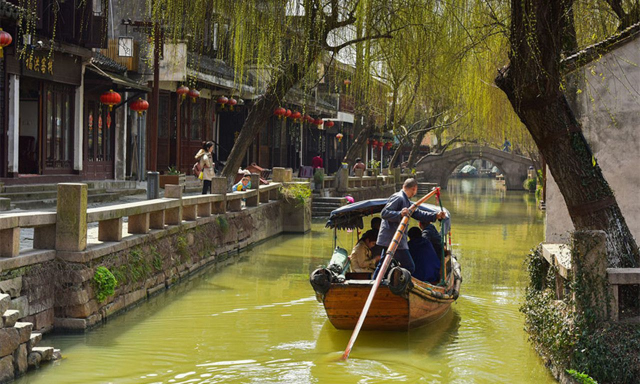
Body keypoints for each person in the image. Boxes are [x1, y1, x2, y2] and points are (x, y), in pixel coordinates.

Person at [373, 178, 447, 277]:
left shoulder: (406, 201)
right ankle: (397, 287)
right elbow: (384, 213)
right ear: (414, 188)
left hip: (392, 239)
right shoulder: (399, 197)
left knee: (383, 265)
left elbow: (418, 213)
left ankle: (376, 283)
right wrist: (400, 214)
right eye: (415, 190)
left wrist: (435, 215)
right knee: (409, 267)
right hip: (393, 239)